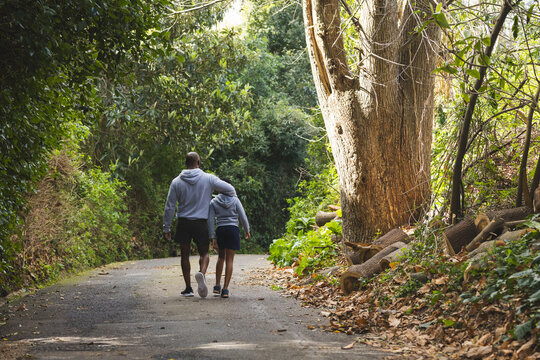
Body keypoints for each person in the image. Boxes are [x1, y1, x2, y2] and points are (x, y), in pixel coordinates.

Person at [163, 152, 236, 298]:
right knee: (204, 253)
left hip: (183, 221)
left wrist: (166, 227)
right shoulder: (208, 179)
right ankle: (201, 273)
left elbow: (170, 206)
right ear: (198, 162)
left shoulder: (176, 181)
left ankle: (188, 288)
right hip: (201, 222)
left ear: (186, 163)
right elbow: (229, 189)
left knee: (184, 255)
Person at [208, 179, 250, 298]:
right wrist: (247, 230)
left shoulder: (213, 202)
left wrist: (212, 237)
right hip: (233, 229)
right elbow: (243, 216)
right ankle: (225, 289)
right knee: (230, 260)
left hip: (221, 230)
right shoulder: (235, 200)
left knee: (221, 257)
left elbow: (210, 220)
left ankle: (217, 286)